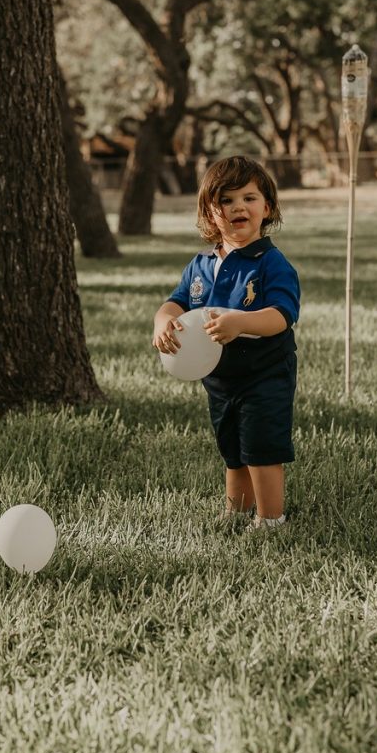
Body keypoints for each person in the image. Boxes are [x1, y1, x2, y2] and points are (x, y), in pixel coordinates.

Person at [152, 155, 300, 531]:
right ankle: (235, 512)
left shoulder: (270, 263)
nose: (238, 207)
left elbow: (282, 315)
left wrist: (240, 322)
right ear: (209, 213)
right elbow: (178, 300)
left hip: (264, 372)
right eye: (226, 200)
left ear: (266, 208)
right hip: (220, 379)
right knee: (233, 450)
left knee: (261, 449)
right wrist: (163, 318)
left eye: (249, 198)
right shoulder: (201, 263)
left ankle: (270, 520)